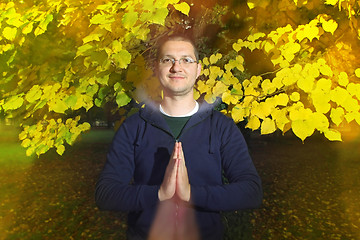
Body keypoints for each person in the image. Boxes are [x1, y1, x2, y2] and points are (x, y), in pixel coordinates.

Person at [95, 33, 263, 240]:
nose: (177, 67)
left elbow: (251, 191)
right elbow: (106, 194)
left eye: (186, 60)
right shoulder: (134, 127)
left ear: (198, 69)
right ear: (157, 69)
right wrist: (159, 194)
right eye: (168, 60)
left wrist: (191, 194)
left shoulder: (222, 127)